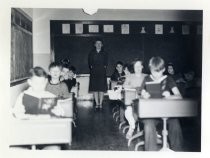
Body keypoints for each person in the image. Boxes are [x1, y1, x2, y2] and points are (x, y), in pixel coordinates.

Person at [12, 66, 63, 150]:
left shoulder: (50, 96)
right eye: (36, 83)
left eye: (42, 83)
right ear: (30, 82)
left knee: (54, 149)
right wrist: (25, 116)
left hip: (46, 134)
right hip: (27, 134)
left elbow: (61, 113)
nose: (39, 86)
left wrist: (57, 112)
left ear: (46, 81)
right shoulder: (23, 96)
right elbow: (16, 113)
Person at [141, 56, 183, 151]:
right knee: (148, 125)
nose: (156, 75)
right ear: (150, 69)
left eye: (158, 72)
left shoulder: (169, 79)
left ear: (163, 69)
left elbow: (179, 96)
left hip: (166, 112)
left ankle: (178, 152)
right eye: (153, 71)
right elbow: (141, 95)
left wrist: (169, 97)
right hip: (151, 113)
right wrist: (144, 95)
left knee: (175, 123)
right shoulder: (147, 79)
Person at [123, 59, 147, 139]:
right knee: (127, 112)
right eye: (136, 66)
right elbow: (124, 86)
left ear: (142, 67)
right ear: (133, 67)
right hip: (131, 101)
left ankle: (152, 131)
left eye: (139, 66)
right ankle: (132, 127)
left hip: (144, 102)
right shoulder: (130, 76)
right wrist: (134, 87)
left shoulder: (146, 76)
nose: (138, 68)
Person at [88, 39, 108, 110]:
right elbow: (90, 64)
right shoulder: (91, 53)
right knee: (95, 88)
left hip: (102, 72)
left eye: (100, 43)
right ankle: (97, 104)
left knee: (101, 89)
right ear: (95, 45)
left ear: (102, 45)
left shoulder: (105, 53)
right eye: (97, 43)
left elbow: (106, 64)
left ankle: (101, 104)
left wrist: (102, 68)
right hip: (94, 73)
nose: (99, 45)